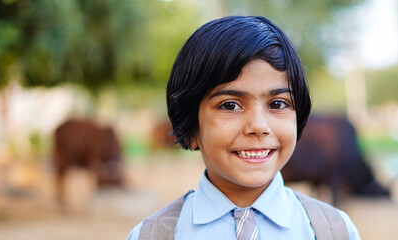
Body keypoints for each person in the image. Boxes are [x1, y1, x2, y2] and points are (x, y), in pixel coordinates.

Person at [127, 16, 360, 240]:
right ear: (191, 127)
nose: (258, 126)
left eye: (277, 104)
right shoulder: (151, 235)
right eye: (230, 105)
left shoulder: (334, 231)